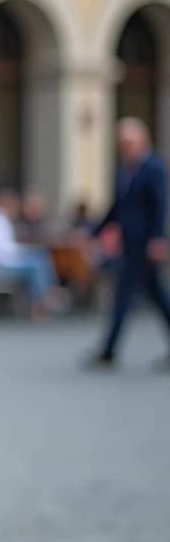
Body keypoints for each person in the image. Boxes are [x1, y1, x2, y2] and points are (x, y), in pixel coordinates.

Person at [87, 117, 170, 369]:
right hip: (130, 243)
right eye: (121, 142)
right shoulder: (124, 169)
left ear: (143, 141)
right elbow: (117, 208)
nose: (125, 147)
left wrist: (157, 238)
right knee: (155, 296)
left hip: (145, 244)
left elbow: (159, 206)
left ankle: (109, 350)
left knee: (126, 296)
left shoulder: (153, 168)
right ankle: (109, 350)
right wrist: (95, 231)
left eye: (129, 142)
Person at [0, 187, 68, 319]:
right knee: (36, 262)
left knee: (36, 258)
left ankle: (43, 299)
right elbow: (0, 252)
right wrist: (23, 250)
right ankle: (43, 301)